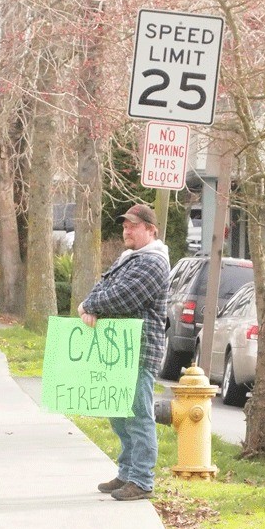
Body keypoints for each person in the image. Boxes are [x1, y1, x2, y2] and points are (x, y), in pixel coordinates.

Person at [77, 204, 169, 501]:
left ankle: (142, 480)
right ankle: (127, 472)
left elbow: (124, 297)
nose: (126, 231)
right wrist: (89, 304)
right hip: (118, 350)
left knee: (138, 415)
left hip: (139, 350)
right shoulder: (129, 259)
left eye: (133, 226)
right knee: (118, 413)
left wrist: (92, 306)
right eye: (125, 226)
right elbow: (101, 286)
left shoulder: (154, 263)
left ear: (151, 230)